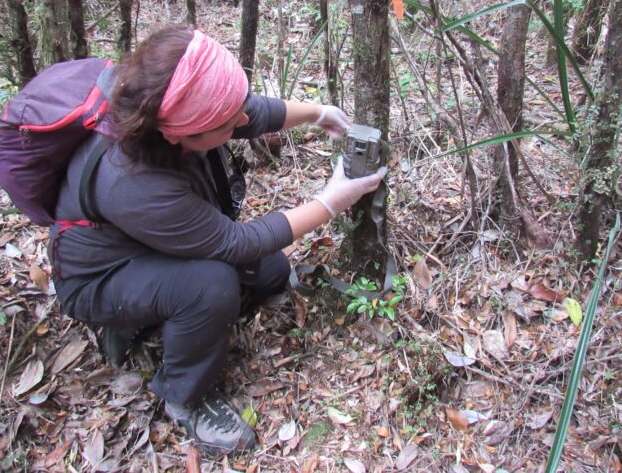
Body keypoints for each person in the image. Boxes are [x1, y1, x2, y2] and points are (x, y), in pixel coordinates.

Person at [49, 24, 386, 455]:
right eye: (228, 123)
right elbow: (234, 244)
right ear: (177, 133)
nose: (242, 122)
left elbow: (250, 112)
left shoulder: (174, 103)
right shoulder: (129, 180)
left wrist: (319, 113)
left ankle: (173, 317)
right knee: (210, 285)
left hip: (149, 242)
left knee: (272, 271)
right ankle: (184, 397)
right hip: (102, 276)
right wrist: (331, 202)